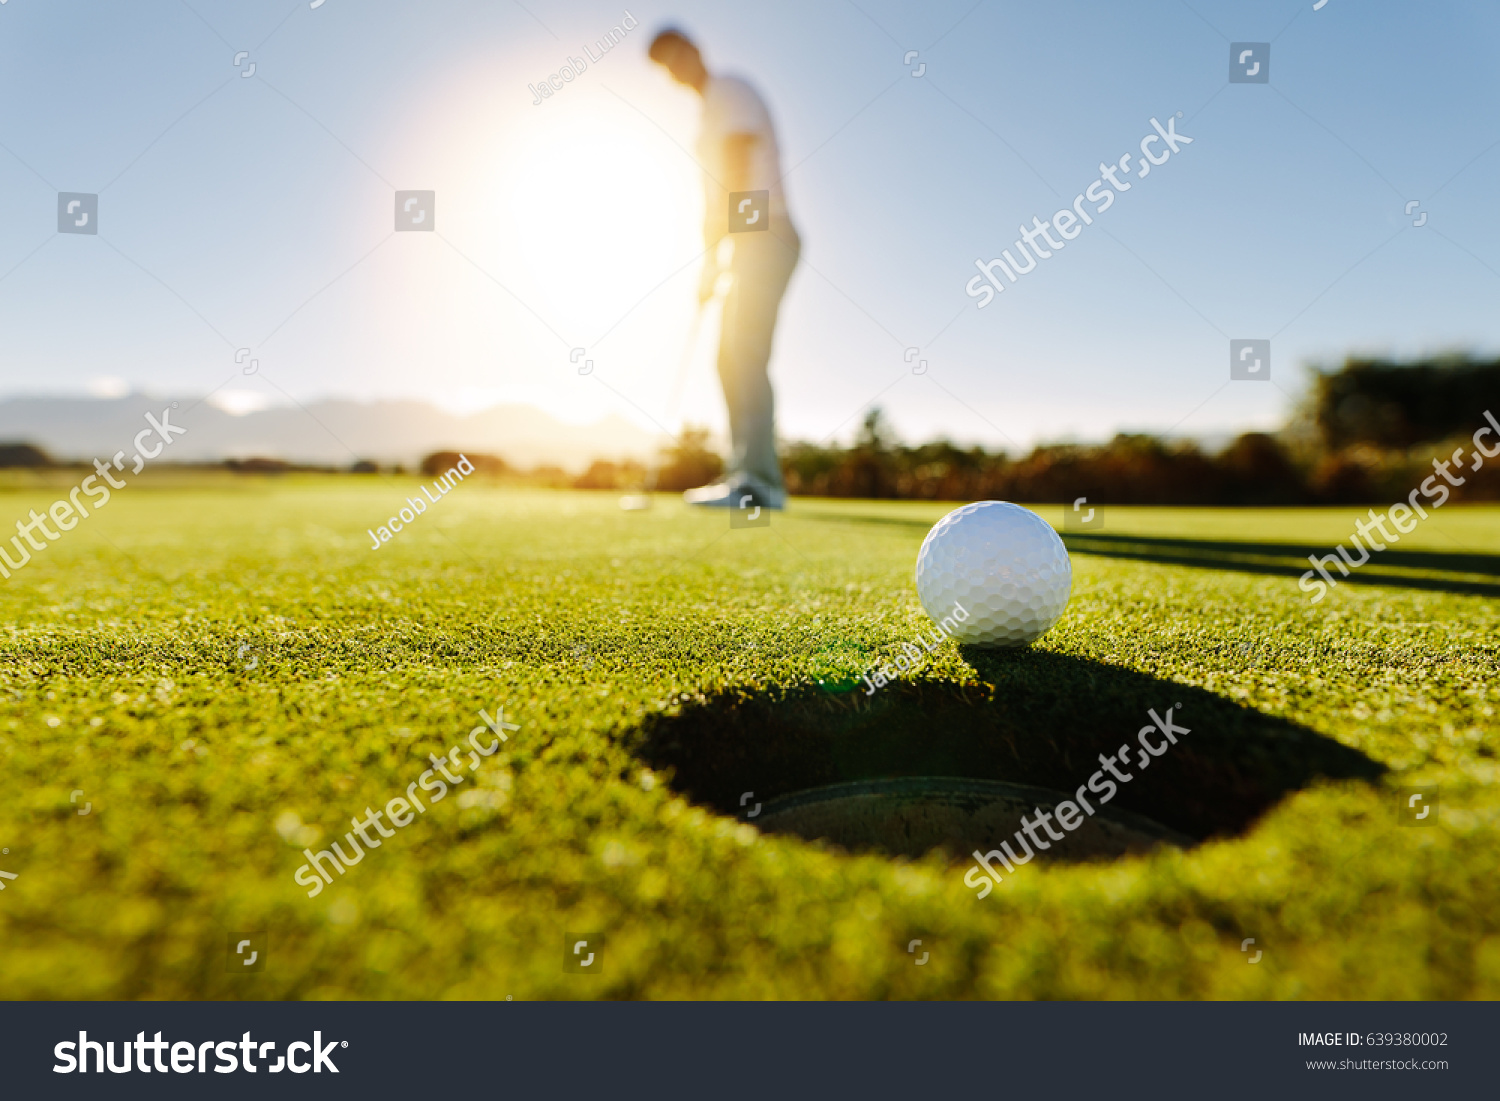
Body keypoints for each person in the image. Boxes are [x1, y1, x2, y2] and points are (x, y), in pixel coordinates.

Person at [648, 28, 800, 510]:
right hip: (748, 236)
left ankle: (758, 483)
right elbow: (715, 197)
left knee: (742, 352)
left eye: (676, 58)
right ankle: (747, 475)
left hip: (765, 231)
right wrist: (713, 259)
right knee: (730, 356)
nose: (675, 72)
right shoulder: (707, 115)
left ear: (695, 50)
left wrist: (730, 246)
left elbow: (738, 165)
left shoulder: (729, 92)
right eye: (666, 68)